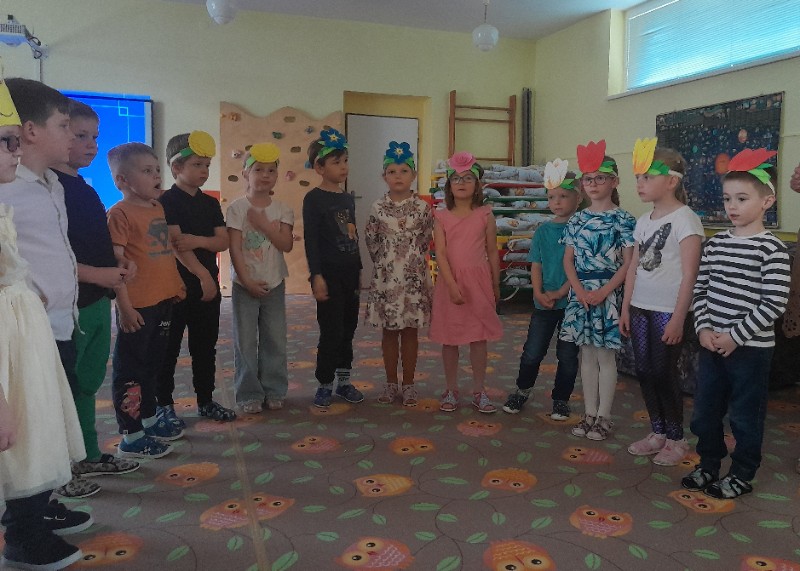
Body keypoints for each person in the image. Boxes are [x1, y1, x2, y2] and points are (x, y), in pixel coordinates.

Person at [0, 75, 89, 571]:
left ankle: (38, 506)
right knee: (30, 430)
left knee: (50, 422)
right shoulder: (9, 190)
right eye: (63, 126)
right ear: (31, 130)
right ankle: (23, 530)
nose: (72, 135)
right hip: (20, 336)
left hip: (54, 323)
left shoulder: (50, 184)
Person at [682, 148, 790, 499]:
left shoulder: (772, 249)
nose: (732, 206)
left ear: (766, 201)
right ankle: (708, 464)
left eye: (742, 199)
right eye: (728, 198)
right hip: (712, 345)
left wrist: (735, 336)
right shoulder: (715, 245)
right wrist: (703, 328)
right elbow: (701, 289)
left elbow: (774, 303)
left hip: (750, 351)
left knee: (745, 416)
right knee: (704, 413)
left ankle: (742, 473)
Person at [53, 99, 140, 499]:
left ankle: (86, 453)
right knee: (65, 387)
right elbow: (50, 258)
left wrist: (117, 271)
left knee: (87, 382)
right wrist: (99, 275)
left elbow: (98, 244)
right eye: (80, 135)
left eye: (95, 137)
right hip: (69, 305)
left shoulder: (83, 188)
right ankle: (60, 467)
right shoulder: (49, 188)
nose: (91, 145)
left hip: (97, 301)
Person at [620, 141, 703, 466]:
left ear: (671, 181)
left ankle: (676, 438)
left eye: (647, 177)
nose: (640, 184)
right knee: (644, 371)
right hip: (640, 307)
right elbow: (633, 268)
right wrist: (626, 308)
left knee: (663, 372)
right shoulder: (644, 220)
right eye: (637, 178)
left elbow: (690, 274)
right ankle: (657, 431)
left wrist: (679, 318)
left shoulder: (686, 219)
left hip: (669, 311)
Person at [107, 143, 187, 458]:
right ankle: (131, 435)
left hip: (162, 301)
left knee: (153, 364)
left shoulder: (156, 208)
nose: (156, 176)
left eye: (156, 170)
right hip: (137, 307)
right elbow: (117, 264)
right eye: (147, 171)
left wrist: (175, 283)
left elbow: (162, 254)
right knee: (131, 370)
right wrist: (124, 307)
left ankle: (150, 419)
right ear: (122, 181)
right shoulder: (119, 213)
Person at [157, 131, 235, 425]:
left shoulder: (210, 203)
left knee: (205, 347)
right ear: (177, 167)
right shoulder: (167, 201)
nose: (204, 171)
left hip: (207, 287)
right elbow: (177, 245)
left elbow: (222, 241)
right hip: (176, 287)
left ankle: (206, 400)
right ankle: (164, 405)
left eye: (207, 165)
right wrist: (203, 275)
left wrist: (198, 240)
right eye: (197, 165)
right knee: (169, 349)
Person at [562, 140, 635, 440]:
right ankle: (588, 413)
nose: (593, 184)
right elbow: (568, 260)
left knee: (606, 357)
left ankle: (604, 416)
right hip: (581, 294)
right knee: (587, 355)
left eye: (600, 178)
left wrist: (604, 292)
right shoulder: (577, 218)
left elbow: (629, 264)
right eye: (588, 179)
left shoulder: (624, 219)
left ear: (614, 181)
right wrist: (579, 290)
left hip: (608, 293)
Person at [502, 160, 581, 418]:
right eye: (551, 197)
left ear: (578, 198)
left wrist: (561, 292)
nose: (556, 202)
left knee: (567, 355)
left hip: (571, 303)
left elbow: (580, 268)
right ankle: (522, 390)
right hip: (543, 302)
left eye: (563, 196)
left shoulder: (582, 230)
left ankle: (561, 399)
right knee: (532, 352)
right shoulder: (543, 231)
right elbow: (535, 264)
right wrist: (537, 292)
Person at [429, 151, 503, 413]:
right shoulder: (441, 216)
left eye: (468, 178)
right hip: (450, 282)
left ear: (477, 185)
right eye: (456, 178)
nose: (461, 183)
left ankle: (479, 390)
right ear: (449, 185)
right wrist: (451, 285)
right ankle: (451, 388)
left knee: (478, 337)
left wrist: (495, 285)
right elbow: (440, 254)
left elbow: (492, 251)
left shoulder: (485, 214)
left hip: (479, 283)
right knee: (450, 339)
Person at [226, 143, 294, 413]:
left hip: (275, 283)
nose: (265, 175)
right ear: (245, 173)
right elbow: (234, 248)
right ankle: (248, 393)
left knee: (275, 338)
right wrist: (246, 281)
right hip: (244, 285)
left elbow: (286, 244)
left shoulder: (283, 209)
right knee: (245, 341)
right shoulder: (237, 208)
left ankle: (274, 389)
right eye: (258, 170)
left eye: (271, 170)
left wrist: (265, 225)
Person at [365, 142, 433, 407]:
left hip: (413, 278)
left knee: (410, 331)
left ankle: (409, 384)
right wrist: (387, 263)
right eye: (391, 171)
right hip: (386, 278)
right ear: (384, 176)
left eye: (404, 171)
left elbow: (425, 238)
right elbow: (371, 240)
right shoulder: (377, 207)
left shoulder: (423, 208)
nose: (398, 176)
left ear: (413, 175)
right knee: (389, 331)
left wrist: (410, 260)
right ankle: (391, 382)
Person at [303, 128, 364, 408]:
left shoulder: (347, 198)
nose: (343, 167)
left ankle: (344, 381)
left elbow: (353, 235)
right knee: (331, 330)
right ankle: (325, 383)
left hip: (350, 274)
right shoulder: (313, 199)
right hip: (328, 275)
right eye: (336, 162)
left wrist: (359, 270)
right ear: (319, 167)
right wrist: (316, 275)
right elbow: (311, 241)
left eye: (345, 161)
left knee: (348, 329)